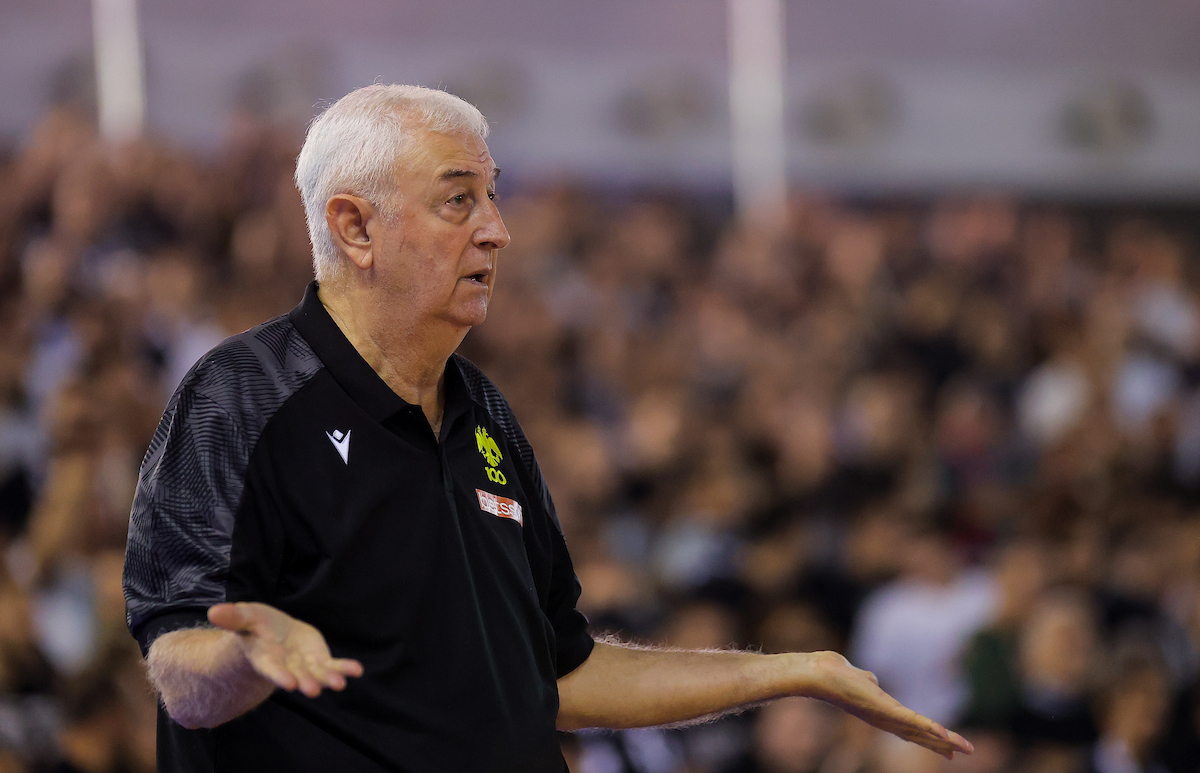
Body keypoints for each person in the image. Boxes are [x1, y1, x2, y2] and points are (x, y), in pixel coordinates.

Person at [121, 84, 974, 773]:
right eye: (459, 200)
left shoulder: (484, 413)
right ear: (355, 226)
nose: (497, 230)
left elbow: (562, 671)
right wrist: (246, 655)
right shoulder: (241, 397)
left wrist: (794, 671)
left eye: (492, 197)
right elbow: (180, 667)